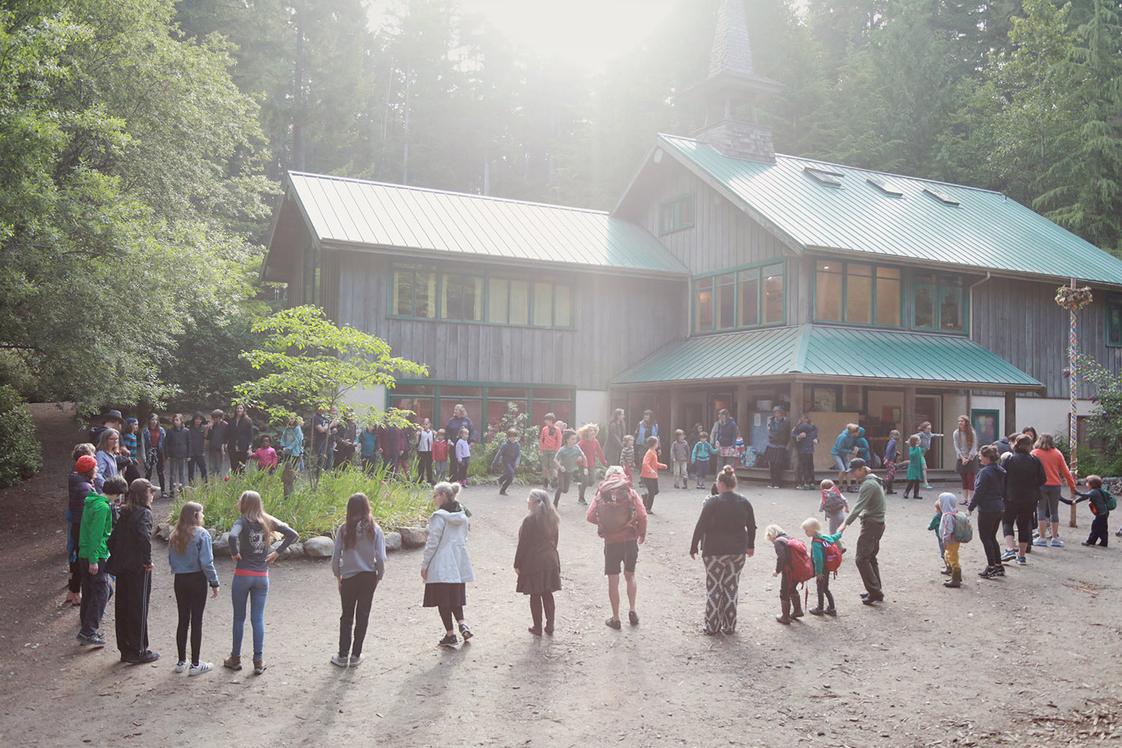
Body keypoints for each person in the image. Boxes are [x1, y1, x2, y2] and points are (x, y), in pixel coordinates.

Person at [224, 490, 299, 675]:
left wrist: (234, 552)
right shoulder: (268, 520)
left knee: (239, 618)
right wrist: (277, 552)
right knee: (257, 619)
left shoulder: (241, 521)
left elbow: (232, 537)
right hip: (261, 576)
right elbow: (293, 534)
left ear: (244, 504)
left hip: (242, 574)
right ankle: (258, 661)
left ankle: (235, 658)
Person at [689, 465, 756, 634]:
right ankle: (730, 625)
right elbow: (752, 527)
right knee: (731, 588)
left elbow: (701, 525)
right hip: (737, 551)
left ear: (720, 484)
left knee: (714, 588)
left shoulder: (713, 502)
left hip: (714, 551)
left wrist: (693, 546)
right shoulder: (744, 501)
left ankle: (712, 626)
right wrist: (750, 546)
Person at [587, 467, 647, 630]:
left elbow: (590, 516)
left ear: (607, 477)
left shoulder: (601, 493)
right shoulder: (630, 492)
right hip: (630, 540)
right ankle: (632, 610)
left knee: (613, 580)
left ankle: (616, 618)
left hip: (611, 542)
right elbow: (642, 515)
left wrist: (605, 525)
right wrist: (641, 533)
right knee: (630, 576)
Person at [331, 493, 386, 667]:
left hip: (348, 577)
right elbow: (381, 557)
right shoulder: (375, 529)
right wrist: (379, 575)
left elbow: (335, 557)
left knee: (346, 616)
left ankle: (342, 655)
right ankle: (356, 655)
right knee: (363, 615)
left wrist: (338, 575)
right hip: (368, 576)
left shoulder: (344, 529)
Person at [168, 501, 220, 675]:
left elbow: (171, 560)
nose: (203, 516)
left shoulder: (175, 534)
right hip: (197, 579)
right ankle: (196, 664)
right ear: (195, 516)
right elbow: (206, 562)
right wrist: (214, 582)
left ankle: (181, 661)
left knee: (183, 619)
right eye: (202, 513)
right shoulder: (202, 534)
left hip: (180, 579)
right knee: (196, 620)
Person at [421, 482, 475, 648]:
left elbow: (433, 542)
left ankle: (450, 634)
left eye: (435, 495)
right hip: (459, 560)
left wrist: (425, 564)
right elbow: (465, 536)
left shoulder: (439, 516)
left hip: (442, 561)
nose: (434, 498)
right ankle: (462, 623)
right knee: (455, 595)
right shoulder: (463, 515)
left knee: (443, 598)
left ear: (443, 495)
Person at [111, 478, 159, 664]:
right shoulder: (144, 514)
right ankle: (139, 650)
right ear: (144, 495)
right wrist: (147, 562)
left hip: (123, 566)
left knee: (123, 606)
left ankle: (125, 648)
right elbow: (143, 538)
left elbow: (113, 538)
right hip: (138, 567)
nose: (153, 495)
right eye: (151, 492)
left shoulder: (125, 511)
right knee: (139, 607)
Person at [77, 475, 126, 648]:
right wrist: (94, 560)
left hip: (84, 552)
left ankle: (86, 626)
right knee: (103, 591)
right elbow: (96, 536)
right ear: (117, 493)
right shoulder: (102, 508)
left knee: (90, 591)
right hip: (95, 555)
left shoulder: (93, 501)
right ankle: (88, 631)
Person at [838, 458, 886, 606]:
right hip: (877, 523)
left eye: (853, 471)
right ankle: (875, 589)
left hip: (871, 524)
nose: (852, 475)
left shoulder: (868, 484)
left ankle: (874, 591)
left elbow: (859, 506)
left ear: (861, 469)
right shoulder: (873, 480)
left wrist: (845, 523)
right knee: (870, 557)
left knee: (861, 558)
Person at [514, 489, 562, 636]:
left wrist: (517, 563)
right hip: (551, 559)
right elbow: (556, 540)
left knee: (535, 595)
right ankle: (550, 625)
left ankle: (537, 627)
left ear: (534, 502)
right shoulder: (553, 518)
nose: (527, 502)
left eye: (529, 499)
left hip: (534, 562)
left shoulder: (529, 520)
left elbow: (523, 544)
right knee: (547, 593)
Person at [1001, 434, 1045, 566]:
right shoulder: (1035, 460)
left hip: (1011, 496)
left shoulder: (1009, 460)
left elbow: (1001, 476)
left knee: (1007, 521)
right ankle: (1022, 556)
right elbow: (1043, 479)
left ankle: (1009, 549)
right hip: (1030, 498)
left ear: (1016, 444)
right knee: (1024, 524)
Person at [1032, 434, 1076, 548]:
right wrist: (1072, 487)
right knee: (1054, 511)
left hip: (1040, 485)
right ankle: (1055, 538)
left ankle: (1041, 537)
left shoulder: (1035, 453)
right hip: (1055, 485)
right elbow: (1066, 472)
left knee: (1040, 510)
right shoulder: (1057, 453)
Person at [66, 451, 98, 607]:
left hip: (77, 526)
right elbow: (90, 511)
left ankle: (72, 591)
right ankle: (77, 594)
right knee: (81, 560)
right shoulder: (85, 488)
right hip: (82, 528)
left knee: (77, 559)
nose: (97, 470)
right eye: (95, 467)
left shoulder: (77, 481)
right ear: (89, 470)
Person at [970, 445, 1007, 579]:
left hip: (987, 508)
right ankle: (998, 565)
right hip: (999, 506)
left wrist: (971, 506)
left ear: (986, 457)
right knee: (992, 537)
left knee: (985, 537)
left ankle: (991, 566)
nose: (979, 457)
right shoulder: (1001, 470)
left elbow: (979, 491)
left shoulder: (985, 472)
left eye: (980, 455)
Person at [802, 517, 843, 615]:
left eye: (806, 530)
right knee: (826, 588)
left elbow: (818, 559)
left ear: (812, 530)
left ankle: (820, 608)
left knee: (820, 589)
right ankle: (832, 609)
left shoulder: (816, 543)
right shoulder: (825, 537)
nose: (805, 532)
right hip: (828, 567)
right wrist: (841, 531)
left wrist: (818, 572)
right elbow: (835, 537)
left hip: (822, 570)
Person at [1061, 475, 1114, 548]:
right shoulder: (1098, 490)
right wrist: (1075, 501)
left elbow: (1084, 495)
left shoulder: (1094, 492)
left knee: (1095, 527)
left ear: (1092, 484)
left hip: (1101, 514)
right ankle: (1104, 542)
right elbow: (1085, 497)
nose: (1086, 484)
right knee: (1103, 528)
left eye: (1087, 483)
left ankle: (1090, 541)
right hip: (1104, 512)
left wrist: (1076, 492)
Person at [766, 524, 805, 624]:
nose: (770, 541)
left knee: (784, 592)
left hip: (789, 571)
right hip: (798, 569)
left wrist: (777, 571)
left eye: (769, 538)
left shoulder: (778, 542)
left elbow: (781, 558)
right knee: (792, 589)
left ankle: (785, 617)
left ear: (771, 534)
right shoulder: (788, 538)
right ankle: (797, 611)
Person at [938, 492, 963, 589]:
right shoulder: (953, 512)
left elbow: (948, 530)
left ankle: (956, 579)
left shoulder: (948, 515)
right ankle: (953, 573)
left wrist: (945, 540)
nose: (939, 503)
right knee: (948, 555)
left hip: (950, 541)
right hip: (953, 541)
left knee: (952, 557)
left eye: (940, 501)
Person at [553, 430, 584, 507]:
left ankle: (556, 483)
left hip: (570, 471)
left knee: (565, 490)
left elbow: (582, 455)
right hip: (562, 471)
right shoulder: (562, 449)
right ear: (567, 440)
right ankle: (554, 504)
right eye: (572, 439)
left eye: (575, 439)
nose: (575, 441)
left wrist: (581, 458)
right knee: (560, 487)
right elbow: (555, 459)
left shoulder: (577, 448)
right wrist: (560, 466)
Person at [577, 424, 607, 503]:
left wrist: (604, 462)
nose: (592, 432)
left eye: (593, 430)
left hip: (592, 464)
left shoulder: (595, 441)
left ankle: (581, 486)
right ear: (586, 432)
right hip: (583, 465)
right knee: (585, 481)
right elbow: (575, 451)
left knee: (592, 481)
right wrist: (578, 459)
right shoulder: (582, 442)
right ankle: (581, 498)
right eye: (590, 430)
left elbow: (600, 452)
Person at [953, 416, 980, 504]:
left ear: (966, 422)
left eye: (962, 421)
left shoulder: (972, 433)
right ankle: (965, 499)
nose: (960, 423)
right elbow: (956, 446)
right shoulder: (956, 433)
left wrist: (968, 458)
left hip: (971, 458)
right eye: (959, 421)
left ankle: (971, 500)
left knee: (970, 479)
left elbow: (974, 446)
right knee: (964, 479)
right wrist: (962, 457)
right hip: (961, 457)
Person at [640, 436, 667, 513]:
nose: (658, 444)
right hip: (647, 476)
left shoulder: (653, 452)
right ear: (654, 444)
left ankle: (645, 497)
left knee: (656, 491)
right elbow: (645, 463)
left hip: (653, 475)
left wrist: (662, 465)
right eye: (657, 442)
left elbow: (654, 463)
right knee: (652, 492)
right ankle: (648, 508)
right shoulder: (649, 452)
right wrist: (650, 470)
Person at [165, 414, 189, 498]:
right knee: (172, 474)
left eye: (177, 420)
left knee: (182, 473)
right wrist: (167, 454)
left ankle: (182, 490)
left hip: (182, 454)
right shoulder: (170, 431)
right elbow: (166, 444)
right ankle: (172, 490)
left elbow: (189, 443)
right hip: (173, 454)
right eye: (174, 420)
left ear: (181, 421)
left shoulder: (186, 431)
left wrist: (188, 455)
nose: (175, 422)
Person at [791, 415, 819, 490]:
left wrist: (816, 440)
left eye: (806, 419)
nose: (805, 421)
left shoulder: (808, 427)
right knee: (802, 467)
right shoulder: (799, 427)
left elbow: (815, 437)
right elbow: (793, 436)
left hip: (806, 450)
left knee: (807, 466)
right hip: (801, 449)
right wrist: (799, 437)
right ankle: (802, 483)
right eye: (803, 419)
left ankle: (808, 482)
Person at [765, 406, 790, 488]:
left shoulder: (786, 422)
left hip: (781, 445)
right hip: (771, 444)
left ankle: (778, 483)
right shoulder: (771, 421)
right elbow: (769, 431)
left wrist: (788, 444)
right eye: (775, 412)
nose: (776, 414)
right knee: (771, 464)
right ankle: (772, 482)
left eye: (778, 412)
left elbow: (788, 434)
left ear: (781, 413)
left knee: (778, 464)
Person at [141, 413, 167, 492]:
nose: (154, 421)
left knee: (160, 472)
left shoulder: (161, 430)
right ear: (149, 420)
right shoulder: (145, 430)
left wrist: (165, 455)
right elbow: (142, 444)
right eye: (152, 419)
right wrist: (144, 457)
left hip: (159, 452)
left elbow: (165, 443)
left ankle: (163, 491)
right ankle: (146, 491)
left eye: (156, 420)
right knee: (148, 472)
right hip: (149, 452)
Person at [492, 428, 522, 496]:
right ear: (508, 437)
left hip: (513, 463)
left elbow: (518, 455)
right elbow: (499, 454)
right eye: (511, 436)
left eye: (514, 436)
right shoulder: (505, 445)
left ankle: (502, 490)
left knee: (510, 478)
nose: (513, 438)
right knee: (511, 472)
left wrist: (517, 463)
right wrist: (494, 463)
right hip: (506, 461)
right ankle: (500, 479)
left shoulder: (517, 445)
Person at [538, 413, 563, 488]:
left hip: (554, 451)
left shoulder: (557, 430)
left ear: (551, 420)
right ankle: (545, 481)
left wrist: (557, 450)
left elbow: (559, 441)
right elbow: (542, 439)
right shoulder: (544, 429)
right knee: (545, 467)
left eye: (547, 420)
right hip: (545, 450)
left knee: (553, 467)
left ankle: (554, 481)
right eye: (545, 420)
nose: (545, 421)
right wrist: (541, 449)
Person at [831, 424, 859, 489]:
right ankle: (840, 485)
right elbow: (839, 448)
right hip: (836, 454)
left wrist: (854, 448)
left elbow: (849, 445)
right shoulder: (843, 437)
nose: (858, 433)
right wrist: (850, 452)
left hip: (844, 454)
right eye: (857, 432)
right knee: (842, 469)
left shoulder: (852, 437)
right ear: (853, 432)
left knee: (848, 469)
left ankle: (849, 486)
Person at [917, 421, 944, 489]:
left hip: (923, 453)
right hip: (919, 452)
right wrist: (910, 442)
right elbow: (914, 436)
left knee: (916, 465)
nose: (929, 430)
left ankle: (899, 465)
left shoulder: (929, 434)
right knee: (924, 467)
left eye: (930, 429)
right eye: (928, 429)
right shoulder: (922, 434)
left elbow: (934, 435)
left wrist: (941, 435)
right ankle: (925, 483)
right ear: (924, 428)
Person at [314, 406, 337, 474]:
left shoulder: (325, 417)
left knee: (329, 463)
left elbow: (329, 430)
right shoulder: (316, 417)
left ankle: (326, 478)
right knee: (321, 461)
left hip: (329, 442)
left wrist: (334, 440)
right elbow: (321, 430)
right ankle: (317, 477)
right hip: (321, 442)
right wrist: (331, 424)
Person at [206, 409, 229, 480]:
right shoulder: (212, 425)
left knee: (219, 468)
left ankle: (219, 483)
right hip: (212, 448)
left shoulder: (225, 425)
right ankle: (212, 483)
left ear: (219, 418)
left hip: (220, 449)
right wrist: (210, 428)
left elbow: (227, 437)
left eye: (214, 418)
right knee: (211, 468)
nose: (213, 419)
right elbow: (208, 437)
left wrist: (224, 445)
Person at [187, 413, 209, 482]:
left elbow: (206, 439)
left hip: (200, 452)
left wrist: (203, 450)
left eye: (200, 419)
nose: (198, 421)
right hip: (191, 453)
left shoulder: (203, 428)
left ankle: (205, 485)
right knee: (191, 471)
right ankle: (191, 485)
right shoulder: (189, 429)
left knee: (203, 469)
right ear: (194, 420)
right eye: (196, 419)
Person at [903, 435, 925, 500]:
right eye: (918, 440)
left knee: (917, 482)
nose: (920, 441)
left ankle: (916, 494)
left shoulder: (918, 448)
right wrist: (916, 447)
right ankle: (906, 492)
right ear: (915, 441)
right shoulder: (912, 448)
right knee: (911, 481)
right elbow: (912, 455)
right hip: (913, 467)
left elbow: (920, 457)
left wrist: (923, 464)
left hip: (918, 466)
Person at [416, 418, 435, 484]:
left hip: (429, 451)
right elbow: (417, 442)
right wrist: (417, 436)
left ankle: (430, 479)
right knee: (421, 466)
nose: (425, 426)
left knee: (429, 466)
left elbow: (434, 441)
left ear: (429, 425)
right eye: (423, 424)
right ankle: (421, 479)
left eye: (426, 424)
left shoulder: (432, 432)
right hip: (422, 451)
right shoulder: (420, 432)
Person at [882, 430, 901, 495]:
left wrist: (896, 453)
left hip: (890, 460)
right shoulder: (893, 441)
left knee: (891, 475)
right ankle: (883, 487)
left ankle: (889, 490)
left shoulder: (891, 441)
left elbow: (890, 450)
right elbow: (889, 449)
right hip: (890, 460)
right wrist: (887, 458)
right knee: (890, 474)